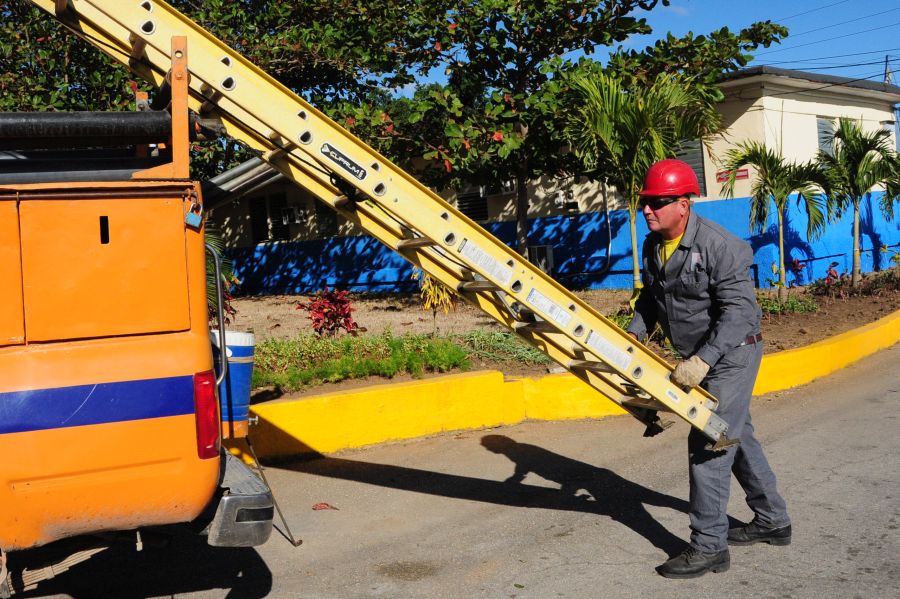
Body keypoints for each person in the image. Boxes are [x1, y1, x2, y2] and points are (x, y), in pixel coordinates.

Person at [626, 159, 791, 579]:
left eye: (658, 202)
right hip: (697, 356)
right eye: (645, 201)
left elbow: (739, 313)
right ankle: (773, 520)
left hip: (731, 352)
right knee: (736, 436)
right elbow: (650, 299)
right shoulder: (652, 245)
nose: (648, 209)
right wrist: (631, 338)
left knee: (709, 443)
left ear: (684, 203)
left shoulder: (721, 245)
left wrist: (703, 360)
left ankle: (709, 546)